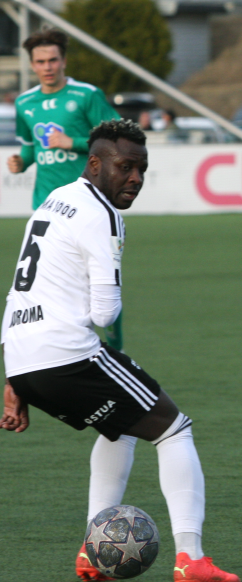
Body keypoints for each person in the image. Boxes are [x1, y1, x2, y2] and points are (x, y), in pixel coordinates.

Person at [0, 119, 239, 582]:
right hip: (65, 352)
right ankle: (192, 559)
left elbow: (17, 291)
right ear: (95, 163)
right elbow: (105, 313)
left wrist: (13, 379)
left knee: (121, 428)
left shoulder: (54, 199)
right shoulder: (102, 214)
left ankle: (93, 552)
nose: (135, 178)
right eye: (125, 167)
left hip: (24, 354)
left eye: (141, 169)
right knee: (173, 428)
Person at [8, 29, 124, 351]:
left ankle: (118, 351)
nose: (47, 67)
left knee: (101, 285)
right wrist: (22, 161)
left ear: (64, 61)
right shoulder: (25, 102)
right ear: (32, 64)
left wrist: (71, 142)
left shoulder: (87, 95)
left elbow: (117, 140)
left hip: (90, 204)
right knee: (50, 285)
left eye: (53, 60)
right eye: (40, 61)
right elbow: (31, 147)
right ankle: (65, 348)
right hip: (47, 208)